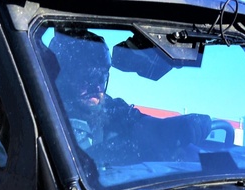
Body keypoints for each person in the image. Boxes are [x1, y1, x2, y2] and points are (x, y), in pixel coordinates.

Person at [45, 29, 211, 165]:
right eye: (87, 78)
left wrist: (179, 127)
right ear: (64, 77)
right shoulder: (48, 115)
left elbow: (144, 125)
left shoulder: (111, 108)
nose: (96, 87)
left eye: (101, 78)